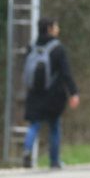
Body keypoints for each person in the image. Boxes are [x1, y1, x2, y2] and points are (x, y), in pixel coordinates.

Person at [21, 17, 80, 169]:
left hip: (34, 93)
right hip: (54, 94)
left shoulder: (31, 47)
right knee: (54, 127)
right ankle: (54, 161)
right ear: (49, 29)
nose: (58, 29)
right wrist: (73, 92)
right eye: (55, 26)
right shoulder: (58, 49)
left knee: (34, 125)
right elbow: (66, 73)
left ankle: (27, 151)